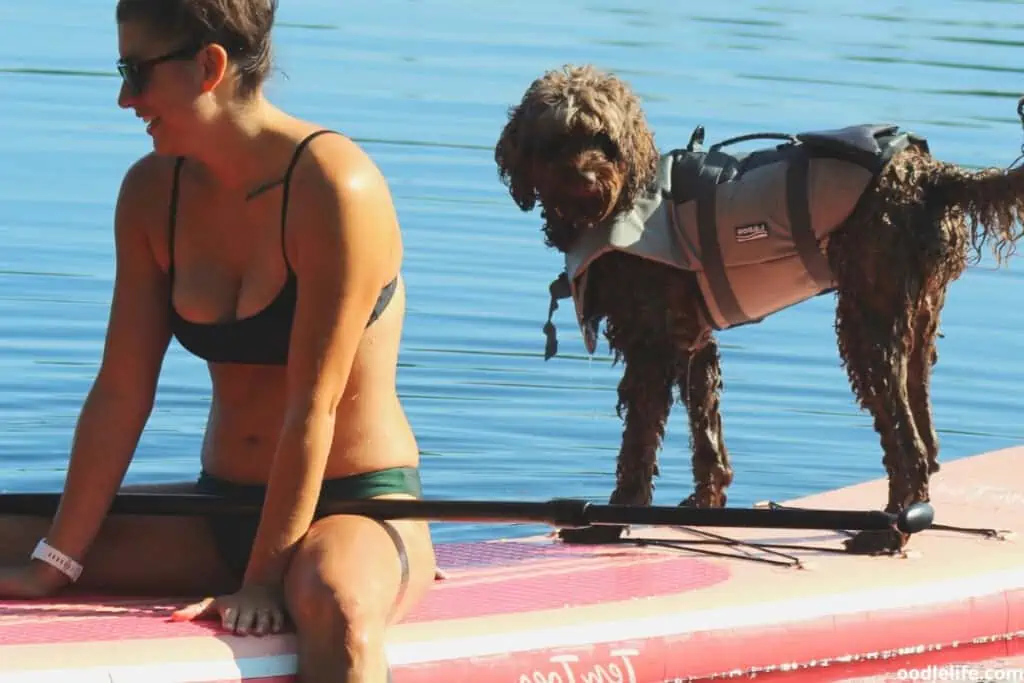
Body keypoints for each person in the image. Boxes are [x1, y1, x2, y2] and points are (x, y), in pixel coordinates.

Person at [0, 0, 437, 680]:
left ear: (209, 66)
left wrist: (264, 579)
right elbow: (120, 392)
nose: (124, 98)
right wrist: (51, 562)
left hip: (353, 507)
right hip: (219, 509)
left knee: (335, 603)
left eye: (136, 72)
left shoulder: (335, 186)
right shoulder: (150, 194)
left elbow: (311, 409)